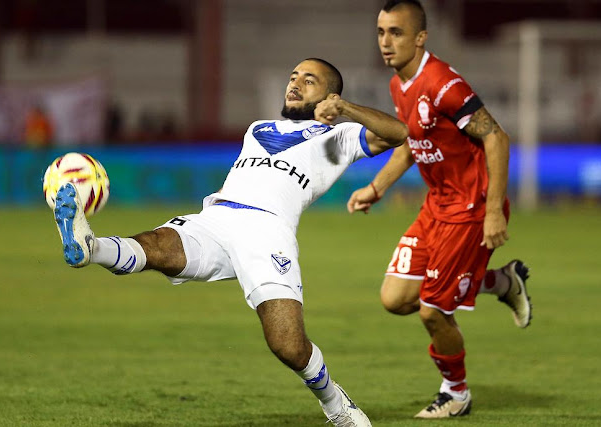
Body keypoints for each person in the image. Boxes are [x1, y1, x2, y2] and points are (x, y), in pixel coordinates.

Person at [52, 58, 409, 426]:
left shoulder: (339, 136)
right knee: (159, 245)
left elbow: (399, 133)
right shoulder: (257, 128)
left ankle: (336, 404)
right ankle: (89, 247)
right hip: (218, 216)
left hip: (267, 230)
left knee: (287, 345)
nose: (295, 84)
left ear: (330, 95)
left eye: (309, 80)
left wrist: (346, 110)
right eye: (293, 77)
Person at [346, 0, 532, 419]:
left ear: (420, 37)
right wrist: (376, 188)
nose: (386, 42)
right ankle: (501, 283)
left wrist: (494, 213)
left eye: (396, 32)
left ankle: (456, 393)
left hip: (470, 207)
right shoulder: (399, 85)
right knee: (395, 299)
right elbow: (413, 143)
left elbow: (497, 138)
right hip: (437, 206)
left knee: (432, 310)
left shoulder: (444, 84)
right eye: (381, 32)